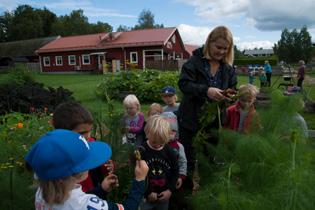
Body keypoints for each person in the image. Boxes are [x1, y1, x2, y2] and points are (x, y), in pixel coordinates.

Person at [25, 129, 149, 210]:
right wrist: (140, 180)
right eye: (87, 161)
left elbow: (76, 203)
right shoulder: (81, 204)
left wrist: (101, 189)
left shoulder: (44, 190)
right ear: (75, 174)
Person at [177, 26, 237, 172]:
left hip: (213, 123)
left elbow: (233, 87)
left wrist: (230, 96)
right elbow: (184, 84)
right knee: (188, 159)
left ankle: (205, 188)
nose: (222, 52)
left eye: (225, 49)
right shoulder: (194, 62)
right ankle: (187, 187)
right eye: (218, 47)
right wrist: (206, 90)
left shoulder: (227, 69)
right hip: (190, 120)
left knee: (208, 158)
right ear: (209, 42)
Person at [52, 101, 114, 195]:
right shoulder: (61, 160)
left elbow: (99, 166)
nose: (88, 136)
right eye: (82, 133)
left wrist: (107, 167)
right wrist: (101, 189)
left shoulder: (90, 142)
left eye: (90, 131)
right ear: (63, 133)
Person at [138, 115, 179, 210]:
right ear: (147, 133)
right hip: (146, 196)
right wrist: (147, 192)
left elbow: (175, 170)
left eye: (161, 142)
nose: (157, 145)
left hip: (164, 195)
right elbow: (139, 175)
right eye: (154, 142)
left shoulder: (169, 152)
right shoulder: (141, 151)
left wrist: (170, 190)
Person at [160, 112, 188, 210]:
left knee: (175, 201)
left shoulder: (178, 147)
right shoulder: (158, 145)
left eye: (173, 131)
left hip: (174, 179)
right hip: (160, 179)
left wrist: (181, 176)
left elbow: (183, 162)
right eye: (167, 131)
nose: (170, 134)